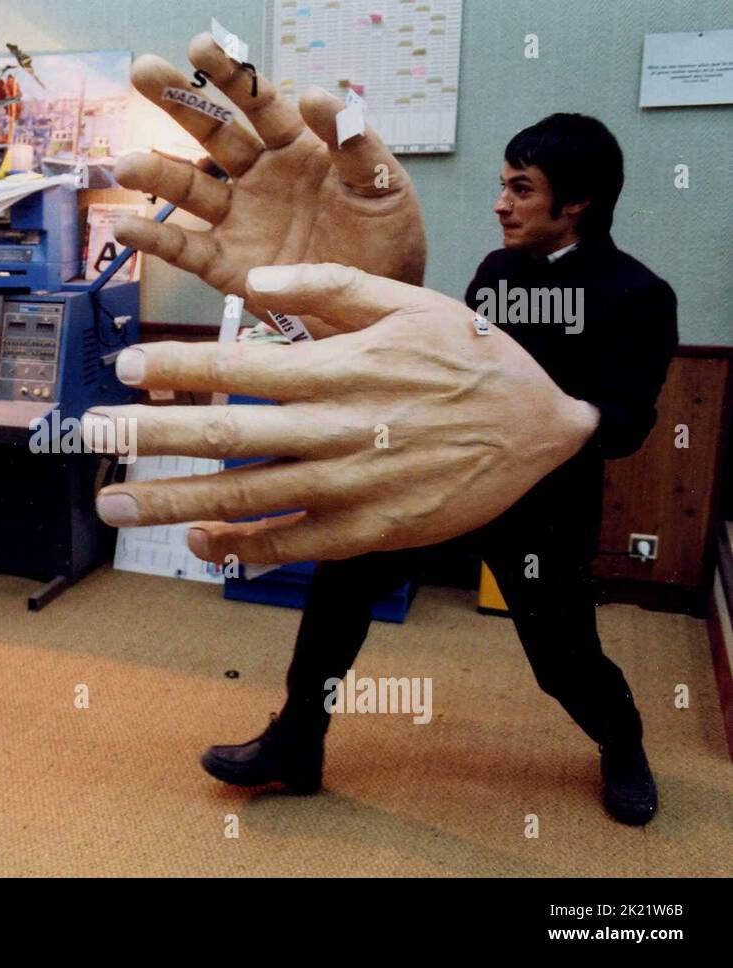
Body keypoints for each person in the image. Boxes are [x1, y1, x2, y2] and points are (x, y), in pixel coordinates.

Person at [86, 39, 676, 825]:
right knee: (341, 583)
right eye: (502, 184)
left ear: (579, 204)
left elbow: (630, 422)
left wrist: (554, 419)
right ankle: (297, 740)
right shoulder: (496, 277)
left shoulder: (639, 294)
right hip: (431, 479)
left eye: (522, 189)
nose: (501, 202)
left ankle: (623, 740)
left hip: (544, 507)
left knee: (562, 661)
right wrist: (314, 318)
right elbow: (426, 366)